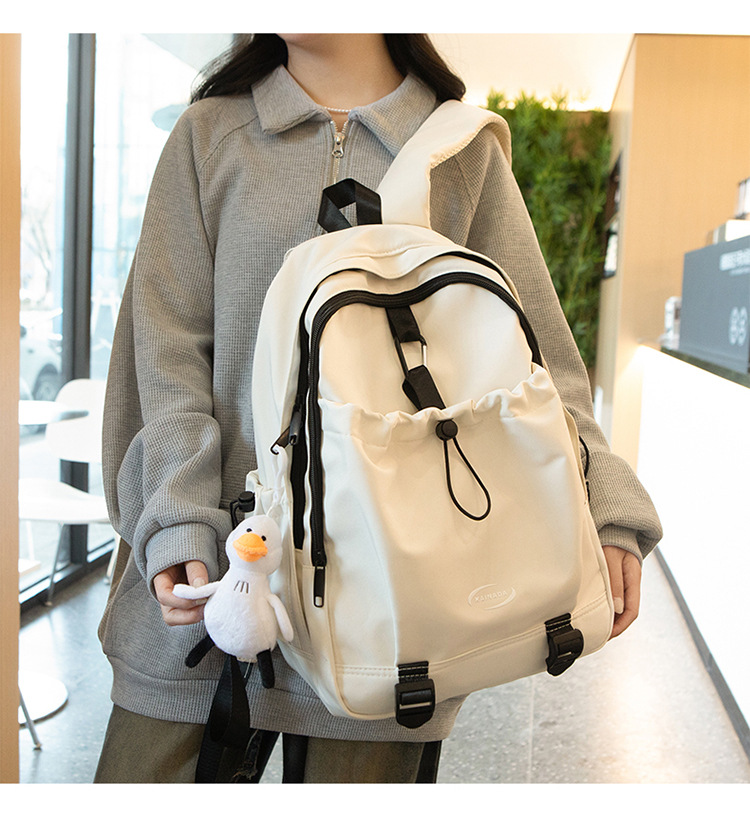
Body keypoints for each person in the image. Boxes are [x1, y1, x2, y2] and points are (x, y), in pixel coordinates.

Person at [94, 33, 662, 784]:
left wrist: (605, 502)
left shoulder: (462, 149)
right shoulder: (210, 136)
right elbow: (166, 354)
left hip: (399, 600)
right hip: (217, 584)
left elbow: (540, 361)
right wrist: (176, 519)